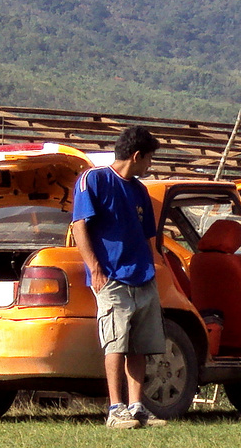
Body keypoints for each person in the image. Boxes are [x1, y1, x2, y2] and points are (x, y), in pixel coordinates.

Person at [69, 126, 168, 430]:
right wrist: (95, 268)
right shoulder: (94, 180)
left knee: (139, 345)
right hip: (112, 278)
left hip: (142, 277)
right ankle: (115, 409)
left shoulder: (139, 190)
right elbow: (79, 226)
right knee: (116, 342)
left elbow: (148, 236)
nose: (149, 165)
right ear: (136, 156)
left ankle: (137, 407)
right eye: (148, 159)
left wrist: (156, 269)